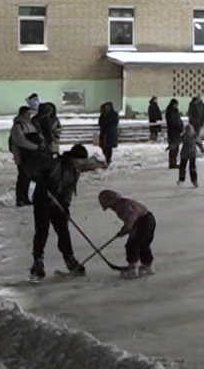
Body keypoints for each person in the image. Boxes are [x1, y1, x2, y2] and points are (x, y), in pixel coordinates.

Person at [29, 145, 99, 281]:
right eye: (78, 160)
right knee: (42, 230)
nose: (80, 163)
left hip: (58, 203)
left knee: (63, 231)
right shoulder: (55, 164)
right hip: (42, 200)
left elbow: (68, 191)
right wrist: (44, 187)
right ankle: (38, 262)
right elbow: (36, 176)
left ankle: (69, 259)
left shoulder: (75, 172)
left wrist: (65, 208)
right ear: (73, 157)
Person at [97, 189, 157, 278]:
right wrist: (125, 230)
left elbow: (131, 218)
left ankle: (133, 268)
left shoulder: (121, 206)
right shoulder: (123, 203)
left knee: (133, 244)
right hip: (148, 219)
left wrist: (125, 230)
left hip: (142, 222)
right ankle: (147, 265)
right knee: (142, 244)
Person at [8, 106, 43, 206]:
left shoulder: (30, 125)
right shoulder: (18, 126)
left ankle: (26, 197)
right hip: (23, 156)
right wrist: (34, 146)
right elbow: (20, 141)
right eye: (27, 114)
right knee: (23, 176)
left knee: (28, 176)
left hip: (32, 156)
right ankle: (20, 198)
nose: (29, 116)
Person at [176, 122, 201, 187]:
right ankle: (186, 179)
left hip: (189, 153)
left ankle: (192, 180)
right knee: (185, 167)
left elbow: (199, 142)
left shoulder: (191, 136)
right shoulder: (186, 136)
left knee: (189, 167)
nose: (189, 132)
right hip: (187, 153)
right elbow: (178, 142)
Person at [164, 99, 184, 167]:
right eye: (176, 104)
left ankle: (173, 162)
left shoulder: (173, 111)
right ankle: (172, 163)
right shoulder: (171, 112)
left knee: (175, 147)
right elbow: (174, 122)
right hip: (173, 131)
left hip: (175, 131)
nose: (177, 106)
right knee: (173, 147)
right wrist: (180, 127)